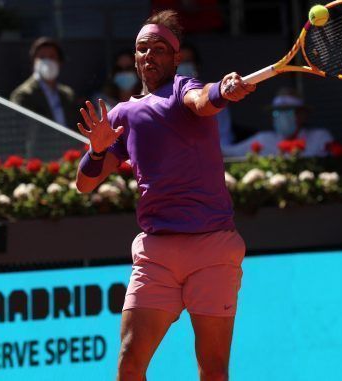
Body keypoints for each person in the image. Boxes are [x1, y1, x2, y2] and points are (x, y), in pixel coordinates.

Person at [74, 10, 255, 381]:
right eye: (142, 49)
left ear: (175, 58)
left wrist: (223, 89)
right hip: (157, 254)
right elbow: (85, 183)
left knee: (213, 369)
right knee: (129, 362)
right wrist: (96, 152)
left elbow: (203, 101)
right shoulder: (123, 114)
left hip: (213, 248)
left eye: (159, 48)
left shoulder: (182, 88)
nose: (148, 56)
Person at [222, 87, 333, 157]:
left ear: (302, 115)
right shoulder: (263, 139)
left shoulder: (320, 138)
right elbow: (227, 152)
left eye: (288, 111)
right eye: (277, 112)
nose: (282, 116)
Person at [177, 43, 236, 151]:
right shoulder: (161, 97)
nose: (184, 66)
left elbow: (223, 137)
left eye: (188, 61)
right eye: (180, 62)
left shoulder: (214, 94)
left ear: (197, 65)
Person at [9, 37, 78, 127]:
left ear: (60, 62)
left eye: (52, 57)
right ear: (34, 62)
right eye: (42, 57)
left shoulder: (68, 94)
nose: (47, 61)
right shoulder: (22, 95)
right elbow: (21, 130)